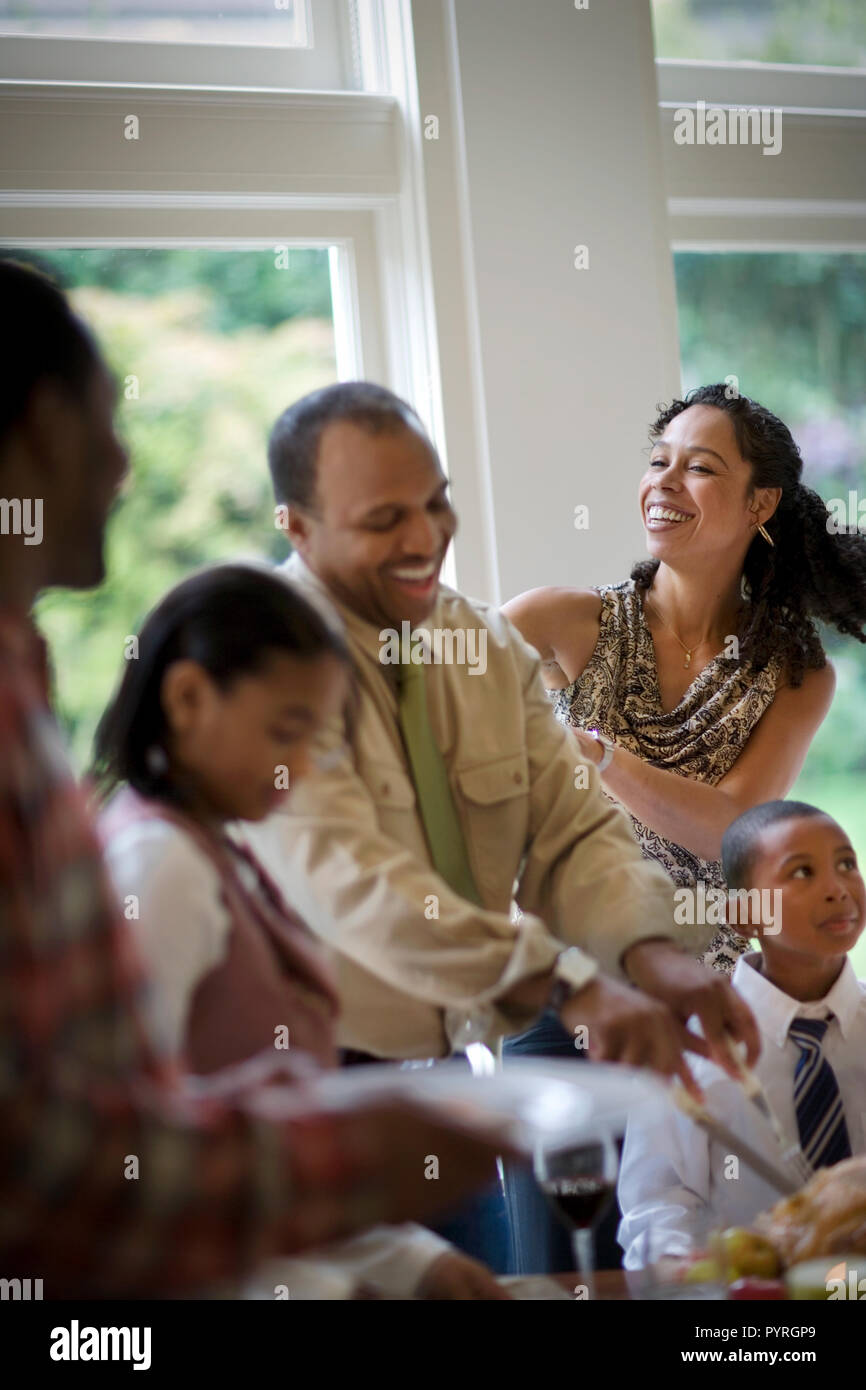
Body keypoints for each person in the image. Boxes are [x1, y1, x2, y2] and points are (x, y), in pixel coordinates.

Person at [0, 258, 514, 1297]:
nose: (122, 466)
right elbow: (63, 1158)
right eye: (107, 421)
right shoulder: (160, 859)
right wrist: (351, 1152)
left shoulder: (37, 696)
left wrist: (396, 1258)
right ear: (43, 421)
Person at [244, 380, 761, 1267]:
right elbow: (358, 887)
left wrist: (649, 952)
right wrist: (573, 983)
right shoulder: (261, 659)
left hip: (445, 1085)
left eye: (435, 504)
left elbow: (571, 831)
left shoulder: (482, 646)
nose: (424, 538)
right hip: (301, 1102)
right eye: (383, 520)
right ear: (297, 526)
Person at [95, 562, 509, 1299]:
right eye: (285, 731)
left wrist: (414, 1262)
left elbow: (262, 1171)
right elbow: (137, 1171)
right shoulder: (159, 868)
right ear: (188, 697)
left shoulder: (218, 852)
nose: (295, 769)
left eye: (314, 743)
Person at [503, 384, 866, 975]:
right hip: (557, 986)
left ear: (761, 504)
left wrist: (596, 755)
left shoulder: (795, 675)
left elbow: (728, 830)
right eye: (657, 461)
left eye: (698, 467)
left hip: (698, 994)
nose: (664, 482)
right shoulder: (559, 621)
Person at [617, 799, 866, 1268]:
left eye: (846, 864)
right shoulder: (689, 1052)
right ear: (746, 917)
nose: (837, 888)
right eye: (801, 873)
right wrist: (684, 1269)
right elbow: (659, 1203)